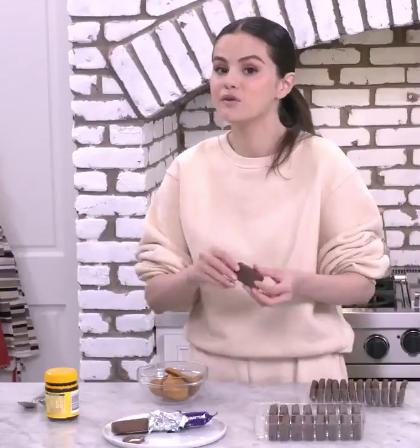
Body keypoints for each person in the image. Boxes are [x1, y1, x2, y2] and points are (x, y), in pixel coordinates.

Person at [135, 16, 390, 384]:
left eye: (250, 69)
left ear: (284, 84)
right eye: (220, 69)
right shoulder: (188, 169)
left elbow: (362, 286)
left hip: (310, 376)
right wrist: (194, 275)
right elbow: (157, 297)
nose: (230, 81)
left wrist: (298, 284)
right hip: (213, 376)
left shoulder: (323, 162)